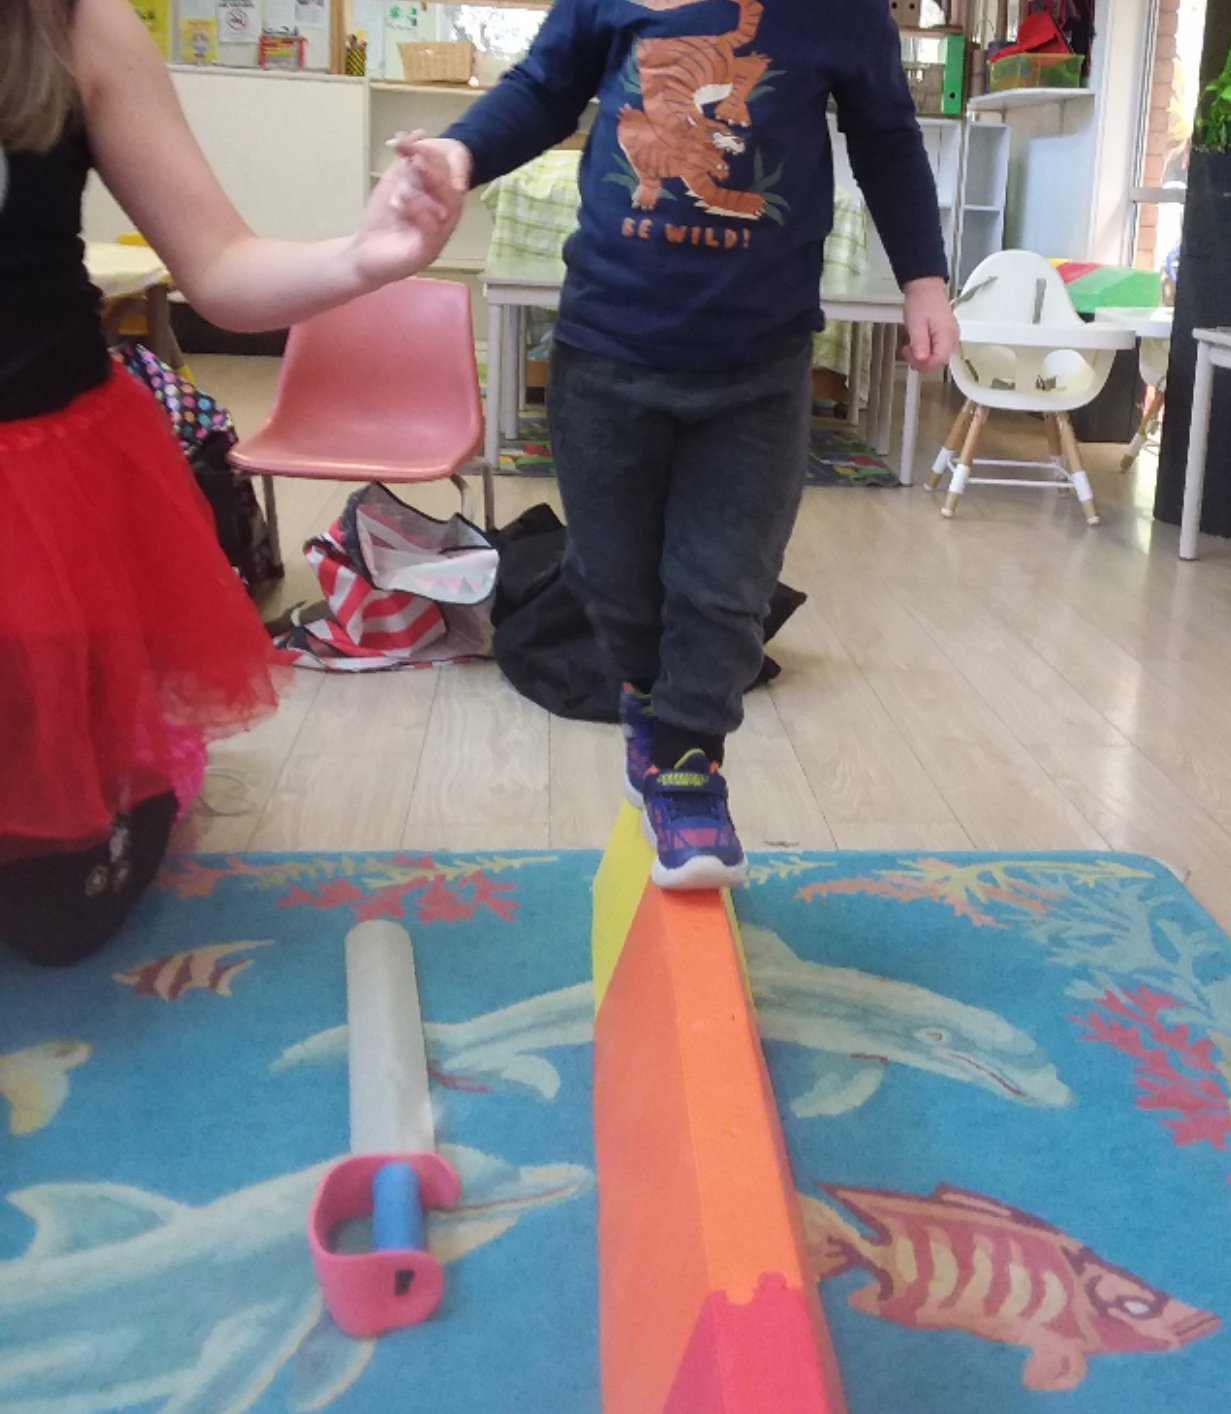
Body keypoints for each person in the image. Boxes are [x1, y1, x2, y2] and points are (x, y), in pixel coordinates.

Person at [402, 0, 958, 889]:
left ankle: (690, 766)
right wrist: (461, 153)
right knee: (616, 583)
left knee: (724, 586)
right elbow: (543, 88)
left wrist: (924, 281)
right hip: (606, 356)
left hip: (759, 366)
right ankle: (644, 703)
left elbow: (887, 136)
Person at [0, 0, 459, 966]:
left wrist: (363, 257)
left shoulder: (75, 27)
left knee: (53, 918)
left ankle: (139, 783)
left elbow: (218, 265)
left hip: (41, 480)